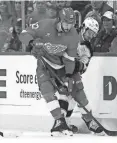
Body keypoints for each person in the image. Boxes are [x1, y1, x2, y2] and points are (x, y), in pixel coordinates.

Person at [19, 7, 103, 136]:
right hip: (45, 64)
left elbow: (72, 60)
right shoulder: (46, 25)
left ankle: (88, 121)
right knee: (47, 90)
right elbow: (24, 33)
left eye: (71, 24)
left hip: (64, 67)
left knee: (76, 90)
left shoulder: (76, 38)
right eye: (66, 23)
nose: (68, 27)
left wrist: (70, 74)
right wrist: (31, 42)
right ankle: (60, 122)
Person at [58, 16, 101, 133]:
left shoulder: (87, 48)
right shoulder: (69, 34)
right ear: (83, 28)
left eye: (94, 34)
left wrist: (78, 65)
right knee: (67, 95)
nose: (91, 36)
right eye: (90, 32)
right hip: (60, 69)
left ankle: (64, 123)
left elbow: (83, 67)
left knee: (72, 98)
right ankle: (88, 122)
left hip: (72, 73)